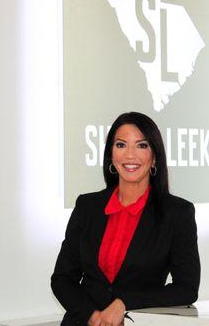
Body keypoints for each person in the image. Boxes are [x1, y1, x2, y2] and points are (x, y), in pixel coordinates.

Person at [51, 112, 200, 326]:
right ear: (111, 154)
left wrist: (124, 303)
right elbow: (62, 279)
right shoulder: (87, 206)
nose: (130, 155)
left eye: (141, 145)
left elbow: (187, 288)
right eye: (121, 145)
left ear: (155, 156)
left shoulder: (177, 212)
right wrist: (94, 317)